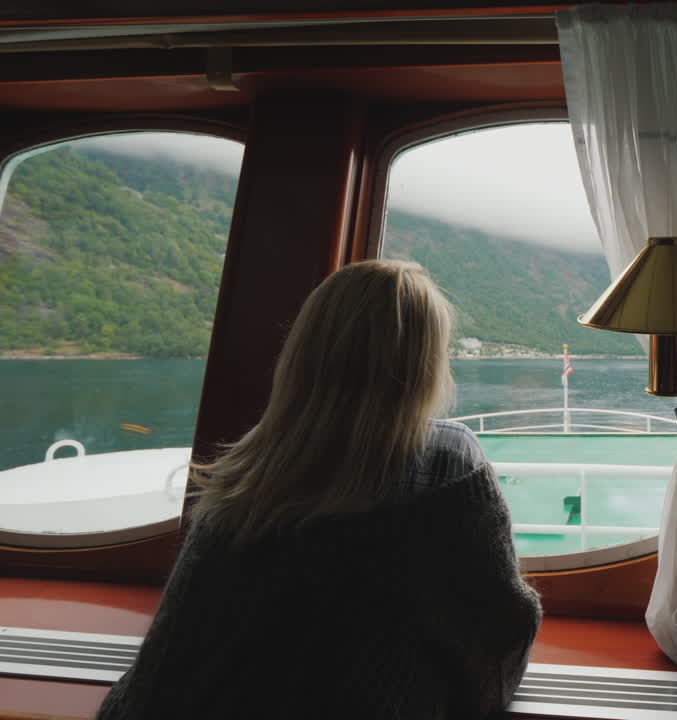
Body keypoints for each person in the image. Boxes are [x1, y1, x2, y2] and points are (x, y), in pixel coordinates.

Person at [97, 259, 541, 720]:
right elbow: (497, 631)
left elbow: (177, 645)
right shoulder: (449, 458)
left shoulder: (256, 457)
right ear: (424, 364)